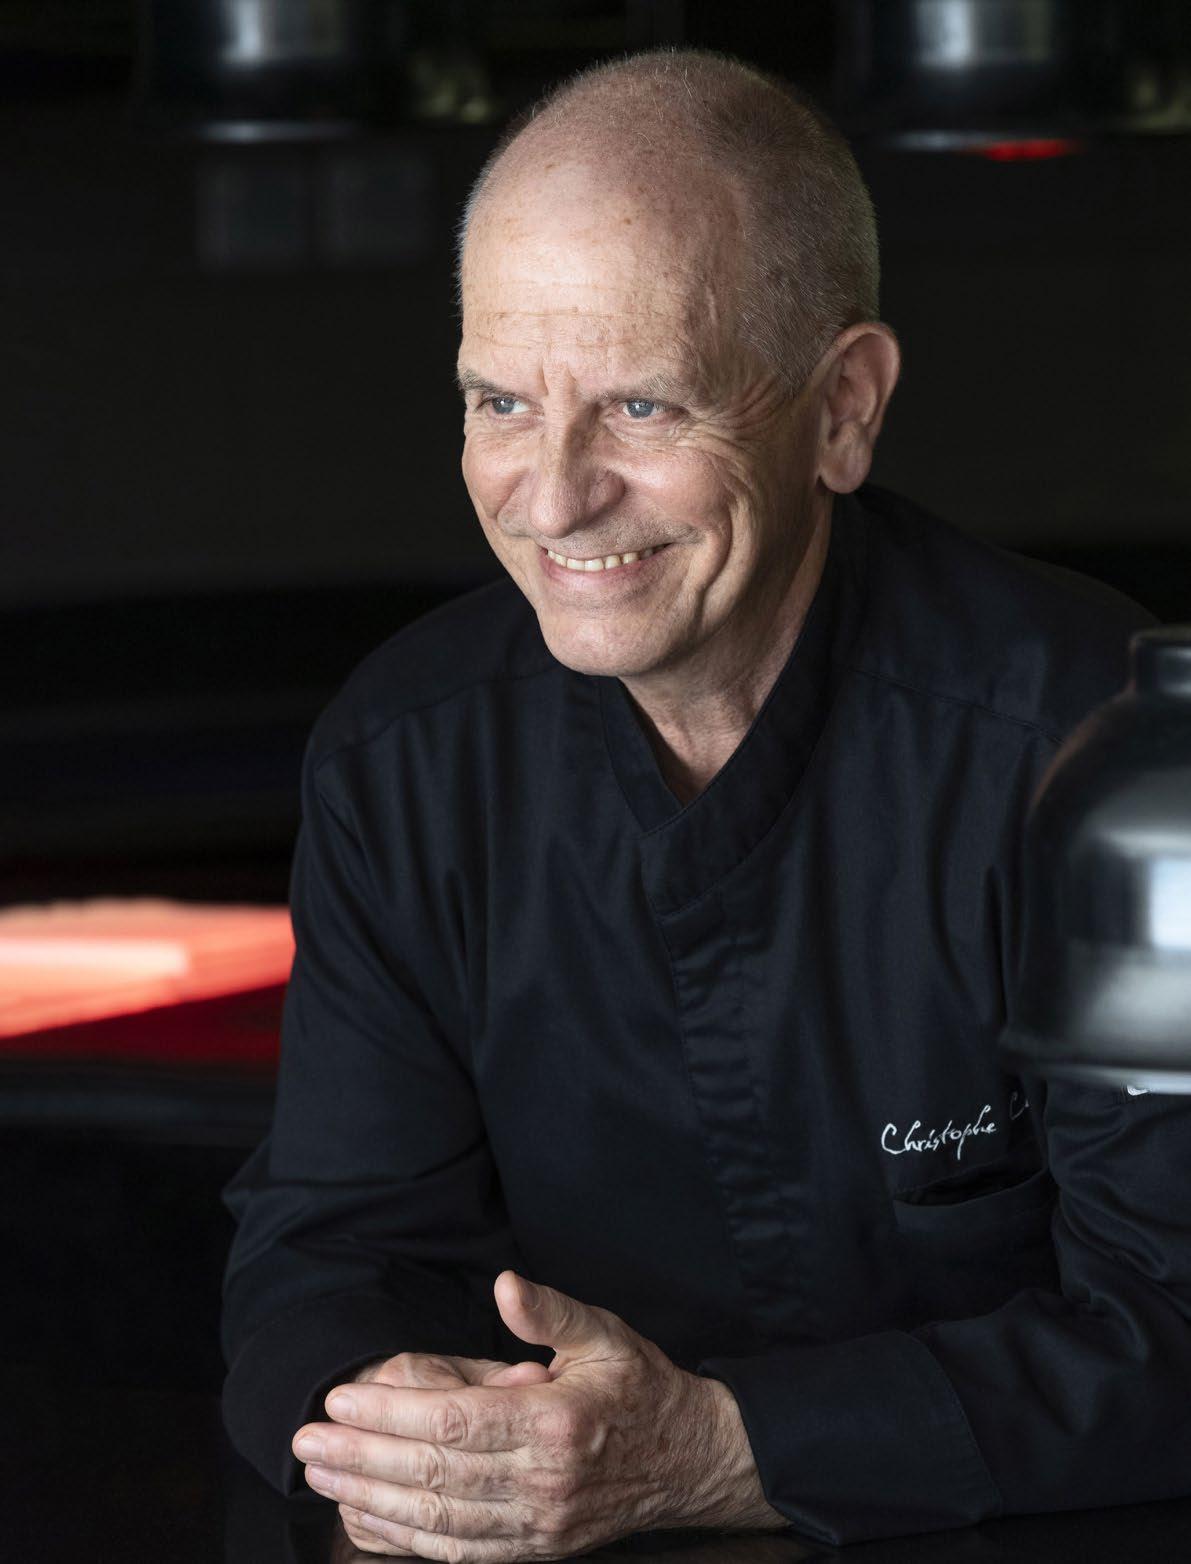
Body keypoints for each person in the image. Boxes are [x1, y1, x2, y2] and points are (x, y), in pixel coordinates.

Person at [221, 48, 1191, 1556]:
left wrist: (713, 1451)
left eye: (643, 405)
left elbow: (1177, 1330)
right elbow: (327, 1248)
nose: (554, 497)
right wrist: (392, 1418)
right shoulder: (405, 760)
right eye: (500, 401)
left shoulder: (1114, 757)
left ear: (843, 409)